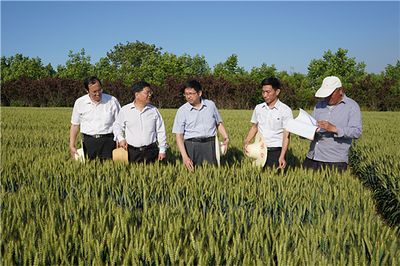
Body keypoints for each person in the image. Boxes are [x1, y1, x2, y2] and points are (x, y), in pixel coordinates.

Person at [302, 76, 362, 173]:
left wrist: (334, 128)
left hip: (335, 160)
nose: (327, 97)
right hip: (313, 157)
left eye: (331, 94)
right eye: (326, 94)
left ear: (340, 90)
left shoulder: (352, 106)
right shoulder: (319, 105)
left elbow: (357, 132)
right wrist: (305, 130)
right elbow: (312, 125)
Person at [172, 79, 230, 170]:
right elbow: (178, 136)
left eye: (191, 93)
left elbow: (218, 124)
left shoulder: (210, 105)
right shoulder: (182, 111)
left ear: (199, 93)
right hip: (191, 146)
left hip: (210, 145)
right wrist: (185, 157)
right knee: (192, 176)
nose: (188, 96)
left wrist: (226, 138)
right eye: (186, 94)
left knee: (213, 174)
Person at [244, 77, 293, 171]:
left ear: (277, 91)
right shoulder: (258, 108)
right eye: (263, 92)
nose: (265, 95)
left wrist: (282, 156)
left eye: (268, 92)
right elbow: (255, 126)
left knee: (274, 182)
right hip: (259, 150)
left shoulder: (285, 110)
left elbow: (286, 135)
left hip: (275, 152)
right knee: (258, 179)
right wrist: (247, 141)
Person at [113, 81, 167, 163]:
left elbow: (160, 131)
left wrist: (162, 150)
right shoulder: (125, 110)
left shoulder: (153, 110)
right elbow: (117, 126)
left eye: (150, 92)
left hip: (151, 151)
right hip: (132, 152)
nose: (150, 95)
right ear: (137, 95)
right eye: (147, 93)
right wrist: (120, 139)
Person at [70, 76, 121, 161]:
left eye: (100, 90)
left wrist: (118, 141)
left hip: (108, 142)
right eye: (94, 92)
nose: (98, 94)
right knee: (88, 170)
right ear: (87, 91)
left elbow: (119, 123)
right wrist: (72, 146)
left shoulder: (112, 101)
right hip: (88, 142)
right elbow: (75, 125)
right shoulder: (80, 102)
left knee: (109, 170)